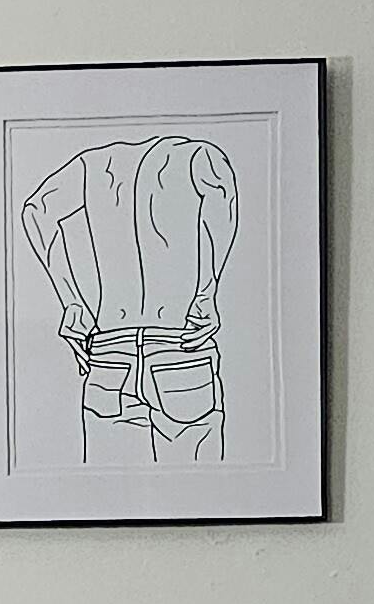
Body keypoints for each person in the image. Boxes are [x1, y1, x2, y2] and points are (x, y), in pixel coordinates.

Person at [21, 135, 239, 465]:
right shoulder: (198, 157)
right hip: (178, 347)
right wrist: (206, 292)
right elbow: (220, 195)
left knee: (107, 489)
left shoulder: (91, 166)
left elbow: (36, 211)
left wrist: (72, 302)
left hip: (110, 357)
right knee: (201, 486)